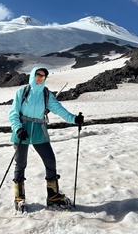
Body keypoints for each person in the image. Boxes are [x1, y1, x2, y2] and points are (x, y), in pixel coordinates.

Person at [8, 66, 84, 210]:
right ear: (32, 76)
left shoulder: (46, 94)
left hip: (39, 130)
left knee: (50, 161)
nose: (40, 78)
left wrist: (74, 119)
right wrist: (18, 129)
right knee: (20, 164)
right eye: (38, 75)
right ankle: (19, 197)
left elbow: (59, 109)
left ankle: (53, 196)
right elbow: (13, 113)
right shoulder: (22, 92)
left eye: (43, 76)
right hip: (22, 130)